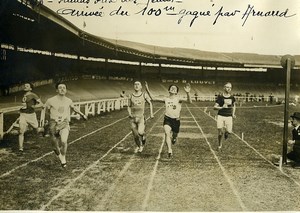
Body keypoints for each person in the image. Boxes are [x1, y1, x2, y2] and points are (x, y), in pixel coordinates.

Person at [44, 82, 87, 168]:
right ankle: (60, 156)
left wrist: (82, 114)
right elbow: (46, 111)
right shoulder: (50, 100)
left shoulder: (68, 100)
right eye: (60, 87)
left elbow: (74, 108)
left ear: (66, 90)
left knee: (64, 141)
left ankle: (63, 158)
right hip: (53, 123)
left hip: (64, 123)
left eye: (64, 87)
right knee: (55, 146)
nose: (62, 89)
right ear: (57, 90)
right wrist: (48, 120)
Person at [145, 81, 192, 158]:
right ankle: (169, 150)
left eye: (175, 88)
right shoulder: (165, 99)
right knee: (167, 133)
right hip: (167, 119)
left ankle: (174, 138)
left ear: (176, 92)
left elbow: (189, 102)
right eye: (171, 88)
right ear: (169, 90)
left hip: (176, 120)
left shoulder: (178, 99)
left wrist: (188, 93)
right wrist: (147, 89)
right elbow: (153, 98)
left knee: (174, 135)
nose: (173, 89)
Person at [128, 81, 153, 153]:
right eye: (135, 84)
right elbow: (129, 106)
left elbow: (150, 103)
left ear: (141, 87)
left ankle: (143, 135)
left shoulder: (144, 95)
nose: (136, 86)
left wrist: (151, 113)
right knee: (135, 135)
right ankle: (140, 146)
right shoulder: (131, 95)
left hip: (141, 118)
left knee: (140, 132)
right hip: (132, 118)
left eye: (138, 84)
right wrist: (129, 113)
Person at [18, 82, 43, 153]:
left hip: (31, 115)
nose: (25, 87)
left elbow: (41, 104)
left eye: (27, 86)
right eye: (24, 85)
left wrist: (34, 106)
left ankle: (42, 130)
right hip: (23, 114)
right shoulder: (24, 95)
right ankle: (20, 148)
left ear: (30, 88)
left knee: (36, 129)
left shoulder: (33, 95)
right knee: (21, 131)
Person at [214, 82, 236, 150]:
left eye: (230, 87)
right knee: (220, 131)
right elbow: (214, 107)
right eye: (227, 87)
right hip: (221, 115)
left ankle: (227, 132)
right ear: (224, 88)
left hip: (229, 116)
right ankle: (219, 145)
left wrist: (233, 114)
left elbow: (234, 106)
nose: (229, 89)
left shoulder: (232, 97)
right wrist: (221, 107)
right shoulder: (220, 97)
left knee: (229, 131)